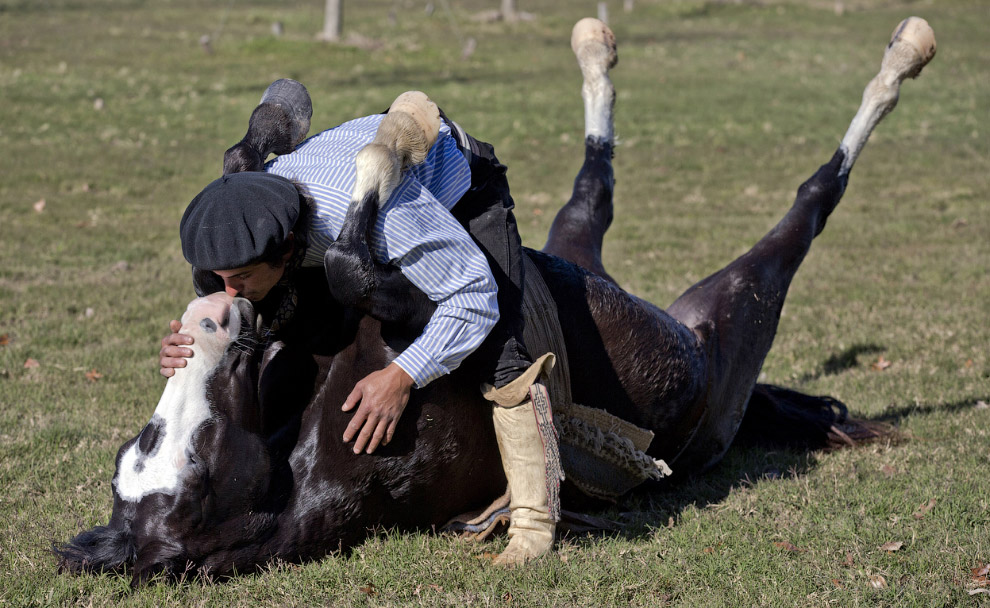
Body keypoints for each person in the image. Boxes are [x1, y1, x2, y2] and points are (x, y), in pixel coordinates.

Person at [159, 88, 561, 565]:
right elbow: (237, 301)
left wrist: (402, 375)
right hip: (341, 204)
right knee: (304, 306)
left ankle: (534, 523)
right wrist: (195, 346)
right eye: (218, 279)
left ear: (287, 251)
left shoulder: (393, 220)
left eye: (240, 278)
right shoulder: (242, 215)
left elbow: (474, 297)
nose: (228, 291)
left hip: (456, 188)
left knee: (503, 353)